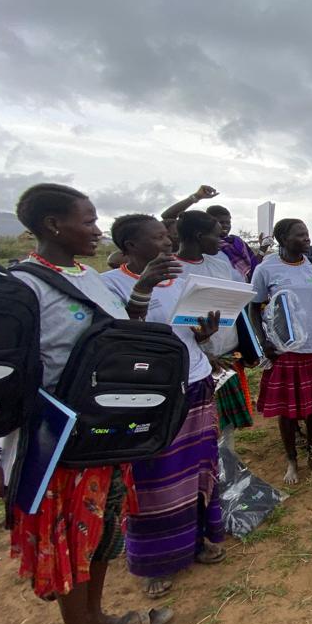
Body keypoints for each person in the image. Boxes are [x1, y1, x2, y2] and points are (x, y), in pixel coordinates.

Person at [6, 184, 176, 624]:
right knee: (68, 540)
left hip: (105, 428)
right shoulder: (23, 286)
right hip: (56, 437)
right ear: (53, 225)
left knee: (99, 534)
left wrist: (143, 288)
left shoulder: (90, 278)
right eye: (87, 220)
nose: (97, 230)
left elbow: (123, 332)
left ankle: (97, 617)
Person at [103, 215, 225, 599]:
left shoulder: (186, 282)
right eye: (158, 237)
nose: (169, 242)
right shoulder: (111, 285)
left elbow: (191, 331)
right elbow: (120, 336)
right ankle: (153, 561)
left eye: (168, 235)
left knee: (199, 468)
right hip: (148, 396)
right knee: (152, 480)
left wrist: (205, 333)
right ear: (130, 246)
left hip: (194, 381)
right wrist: (145, 286)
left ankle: (198, 537)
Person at [250, 219, 312, 484]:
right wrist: (263, 339)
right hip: (285, 348)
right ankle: (291, 460)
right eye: (300, 235)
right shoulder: (267, 269)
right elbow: (254, 306)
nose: (307, 239)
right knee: (287, 410)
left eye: (308, 234)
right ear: (283, 239)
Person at [175, 210, 254, 454]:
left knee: (226, 424)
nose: (220, 242)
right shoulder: (172, 271)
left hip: (227, 355)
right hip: (195, 361)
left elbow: (238, 294)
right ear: (199, 236)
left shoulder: (220, 262)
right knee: (200, 423)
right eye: (215, 236)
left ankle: (225, 471)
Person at [205, 204, 264, 281]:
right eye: (221, 222)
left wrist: (263, 248)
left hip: (242, 288)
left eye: (228, 222)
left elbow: (254, 267)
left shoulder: (237, 242)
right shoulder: (206, 246)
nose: (226, 225)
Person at [161, 185, 219, 253]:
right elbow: (167, 216)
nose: (182, 236)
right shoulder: (162, 261)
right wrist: (196, 196)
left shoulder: (216, 254)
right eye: (176, 234)